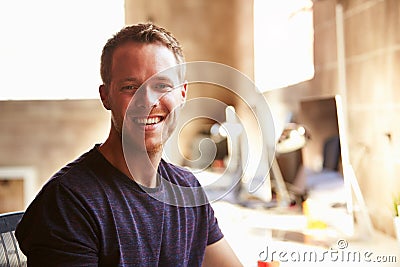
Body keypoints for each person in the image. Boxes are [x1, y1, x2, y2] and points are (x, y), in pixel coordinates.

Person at [15, 23, 242, 266]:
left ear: (182, 93)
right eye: (130, 87)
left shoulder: (187, 190)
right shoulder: (69, 202)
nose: (147, 101)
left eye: (162, 85)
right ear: (106, 96)